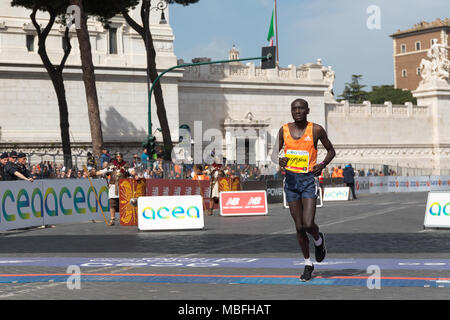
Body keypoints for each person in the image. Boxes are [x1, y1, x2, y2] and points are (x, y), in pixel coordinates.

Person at [277, 98, 336, 281]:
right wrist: (280, 160)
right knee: (299, 226)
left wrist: (322, 164)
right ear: (291, 111)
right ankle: (308, 263)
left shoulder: (316, 129)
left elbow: (331, 151)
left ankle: (319, 240)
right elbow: (274, 153)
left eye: (301, 108)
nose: (298, 111)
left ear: (308, 110)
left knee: (309, 224)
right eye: (294, 109)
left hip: (308, 180)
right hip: (291, 182)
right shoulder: (284, 129)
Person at [92, 152, 130, 226]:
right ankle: (112, 219)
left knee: (124, 204)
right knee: (112, 203)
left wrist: (135, 174)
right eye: (118, 157)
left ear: (122, 157)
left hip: (123, 187)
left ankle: (125, 219)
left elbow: (131, 171)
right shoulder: (111, 166)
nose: (119, 158)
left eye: (120, 157)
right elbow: (103, 171)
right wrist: (93, 173)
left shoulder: (126, 165)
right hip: (113, 186)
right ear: (116, 157)